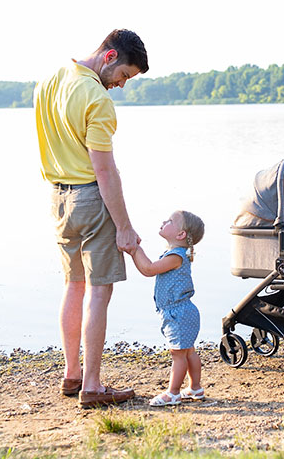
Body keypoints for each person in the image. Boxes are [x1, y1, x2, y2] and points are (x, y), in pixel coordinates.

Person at [34, 29, 149, 407]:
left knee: (74, 285)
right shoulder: (96, 98)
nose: (122, 85)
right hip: (90, 197)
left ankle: (72, 374)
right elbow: (105, 172)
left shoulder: (49, 83)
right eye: (125, 76)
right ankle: (93, 386)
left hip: (58, 199)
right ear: (111, 56)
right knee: (99, 290)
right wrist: (126, 227)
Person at [130, 210, 205, 406]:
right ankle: (195, 388)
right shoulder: (178, 254)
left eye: (170, 221)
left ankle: (173, 393)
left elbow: (148, 269)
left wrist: (135, 250)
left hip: (178, 312)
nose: (164, 221)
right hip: (184, 310)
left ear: (180, 235)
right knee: (188, 351)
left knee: (178, 354)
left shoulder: (175, 257)